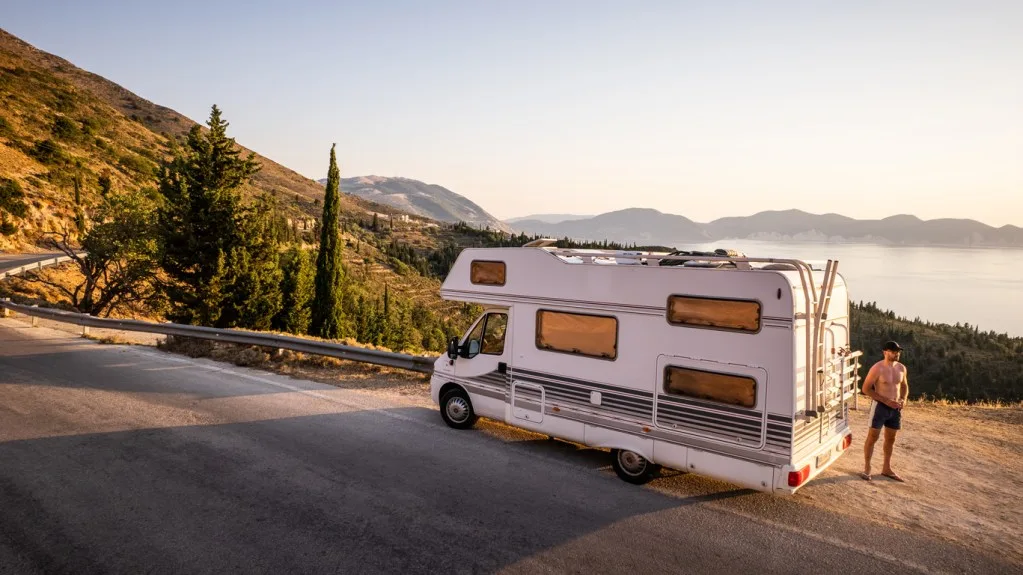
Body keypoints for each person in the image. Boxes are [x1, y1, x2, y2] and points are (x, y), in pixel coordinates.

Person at [860, 340, 909, 482]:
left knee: (891, 439)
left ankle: (886, 468)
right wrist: (886, 401)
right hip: (880, 407)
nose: (897, 354)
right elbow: (865, 389)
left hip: (896, 409)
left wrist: (904, 399)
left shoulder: (901, 368)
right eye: (894, 351)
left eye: (898, 351)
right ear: (885, 352)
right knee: (872, 437)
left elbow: (905, 386)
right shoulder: (877, 368)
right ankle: (867, 468)